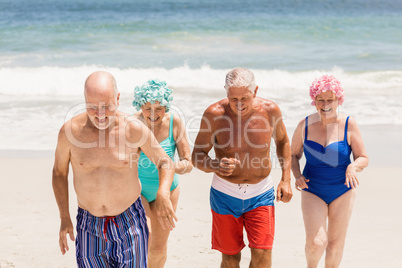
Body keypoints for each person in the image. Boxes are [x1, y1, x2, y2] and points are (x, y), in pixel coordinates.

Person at [52, 71, 178, 268]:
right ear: (84, 101)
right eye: (93, 107)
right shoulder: (70, 133)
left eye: (107, 106)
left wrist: (163, 192)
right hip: (88, 223)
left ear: (118, 99)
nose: (100, 114)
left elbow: (165, 162)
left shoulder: (133, 129)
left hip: (130, 220)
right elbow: (59, 173)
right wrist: (64, 217)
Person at [191, 67, 292, 268]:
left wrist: (286, 179)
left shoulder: (270, 110)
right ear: (226, 93)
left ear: (255, 91)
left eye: (244, 98)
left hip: (261, 192)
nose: (238, 104)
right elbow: (197, 155)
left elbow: (283, 141)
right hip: (224, 193)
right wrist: (214, 165)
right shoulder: (214, 114)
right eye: (233, 99)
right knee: (230, 259)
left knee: (263, 257)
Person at [291, 74, 369, 268]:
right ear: (314, 101)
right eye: (321, 100)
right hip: (312, 189)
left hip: (342, 190)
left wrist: (353, 166)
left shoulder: (349, 124)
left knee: (334, 246)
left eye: (330, 100)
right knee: (316, 243)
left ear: (338, 100)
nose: (325, 104)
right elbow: (292, 156)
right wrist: (297, 175)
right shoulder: (304, 125)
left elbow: (363, 158)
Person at [132, 79, 193, 268]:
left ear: (166, 106)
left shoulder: (175, 122)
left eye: (159, 108)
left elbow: (188, 163)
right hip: (138, 191)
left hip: (168, 190)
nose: (153, 114)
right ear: (140, 105)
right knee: (143, 241)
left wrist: (167, 166)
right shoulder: (132, 124)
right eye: (147, 108)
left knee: (158, 248)